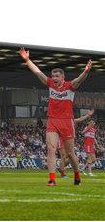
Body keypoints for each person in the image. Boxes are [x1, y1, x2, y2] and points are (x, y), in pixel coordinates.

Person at [19, 48, 91, 186]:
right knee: (51, 149)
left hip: (67, 122)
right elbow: (37, 72)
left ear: (63, 77)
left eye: (57, 76)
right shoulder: (50, 84)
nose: (55, 78)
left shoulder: (70, 86)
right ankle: (52, 179)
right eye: (53, 76)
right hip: (52, 120)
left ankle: (77, 174)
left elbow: (79, 80)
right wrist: (27, 60)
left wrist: (86, 71)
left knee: (70, 153)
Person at [57, 109, 94, 178]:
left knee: (72, 157)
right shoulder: (62, 120)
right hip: (61, 139)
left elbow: (81, 119)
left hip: (68, 140)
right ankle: (62, 174)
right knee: (63, 156)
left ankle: (61, 168)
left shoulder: (72, 120)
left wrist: (88, 115)